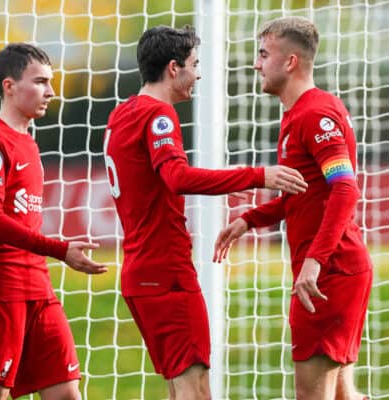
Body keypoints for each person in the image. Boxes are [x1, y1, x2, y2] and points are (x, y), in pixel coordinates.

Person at [103, 25, 308, 399]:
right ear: (172, 68)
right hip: (166, 272)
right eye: (194, 65)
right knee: (195, 389)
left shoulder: (122, 114)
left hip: (140, 271)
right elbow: (177, 177)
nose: (198, 74)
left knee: (180, 388)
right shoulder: (158, 116)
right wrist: (259, 175)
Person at [0, 43, 108, 400]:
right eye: (41, 82)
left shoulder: (27, 142)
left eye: (51, 82)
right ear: (10, 86)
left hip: (36, 286)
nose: (50, 92)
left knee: (66, 392)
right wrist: (61, 250)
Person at [213, 17, 372, 400]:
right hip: (335, 271)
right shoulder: (299, 113)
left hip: (328, 274)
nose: (256, 64)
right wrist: (249, 220)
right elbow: (304, 194)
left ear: (290, 62)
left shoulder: (314, 115)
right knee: (342, 395)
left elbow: (345, 189)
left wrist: (315, 261)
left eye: (264, 54)